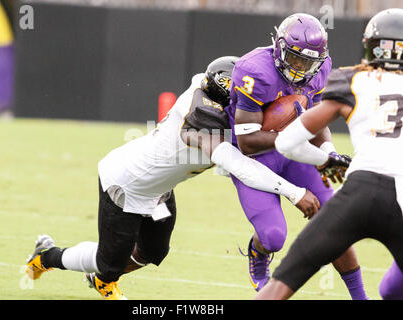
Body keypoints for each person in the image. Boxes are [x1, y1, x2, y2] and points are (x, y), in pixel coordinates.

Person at [25, 56, 323, 300]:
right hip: (126, 186)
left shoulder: (212, 91)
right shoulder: (203, 122)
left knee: (154, 252)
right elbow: (239, 165)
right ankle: (48, 256)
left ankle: (103, 278)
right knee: (109, 262)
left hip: (159, 192)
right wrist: (293, 192)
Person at [254, 8, 403, 300]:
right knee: (392, 290)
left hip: (357, 194)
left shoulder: (352, 81)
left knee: (282, 283)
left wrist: (325, 159)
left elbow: (286, 143)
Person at [224, 13, 368, 299]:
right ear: (279, 47)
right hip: (255, 157)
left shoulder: (321, 66)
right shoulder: (254, 70)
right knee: (273, 237)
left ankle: (360, 297)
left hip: (293, 152)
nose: (302, 69)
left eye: (308, 63)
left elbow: (315, 119)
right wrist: (294, 140)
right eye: (296, 59)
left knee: (334, 222)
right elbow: (248, 141)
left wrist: (327, 153)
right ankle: (258, 251)